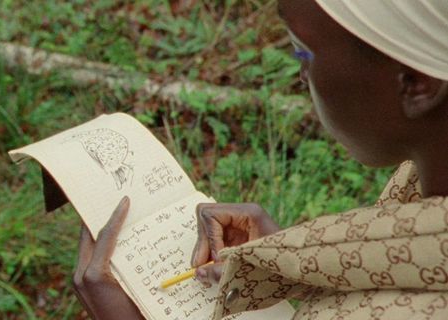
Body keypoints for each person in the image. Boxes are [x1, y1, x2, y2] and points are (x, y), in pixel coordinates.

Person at [73, 0, 448, 319]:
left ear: (416, 83)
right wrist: (293, 264)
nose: (301, 76)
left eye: (302, 51)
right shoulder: (417, 180)